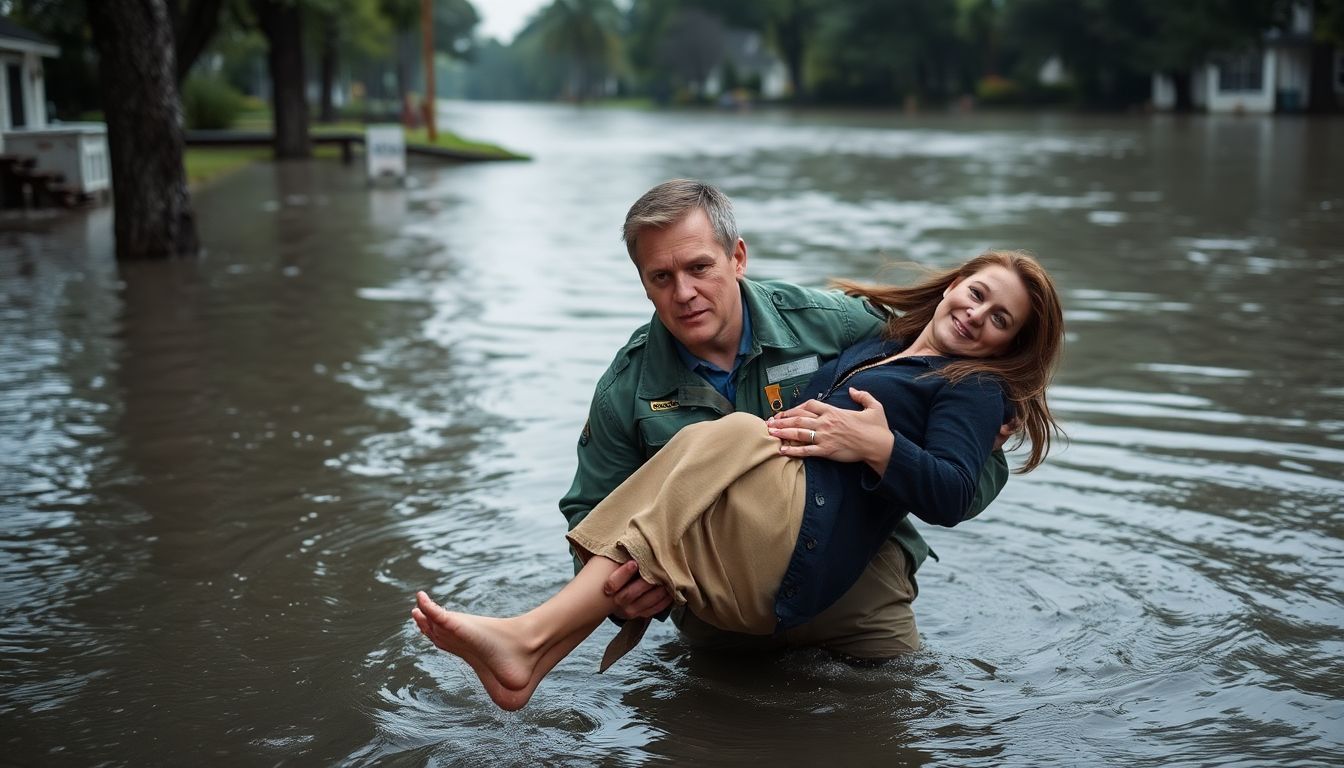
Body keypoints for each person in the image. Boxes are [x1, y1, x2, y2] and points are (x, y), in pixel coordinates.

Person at [411, 249, 1065, 711]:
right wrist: (630, 592)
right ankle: (531, 656)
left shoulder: (973, 387)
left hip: (815, 542)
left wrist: (881, 446)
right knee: (715, 454)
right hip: (757, 543)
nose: (979, 314)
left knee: (730, 434)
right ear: (953, 285)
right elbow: (593, 500)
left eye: (1000, 319)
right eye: (977, 293)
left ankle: (529, 640)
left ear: (735, 260)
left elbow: (954, 489)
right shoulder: (880, 340)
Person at [558, 179, 1013, 660]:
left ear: (737, 257)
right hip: (719, 608)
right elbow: (591, 519)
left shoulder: (836, 325)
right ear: (644, 283)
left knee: (900, 709)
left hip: (857, 586)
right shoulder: (624, 391)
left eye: (699, 267)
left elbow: (953, 422)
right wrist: (624, 601)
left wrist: (985, 434)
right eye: (661, 278)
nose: (685, 293)